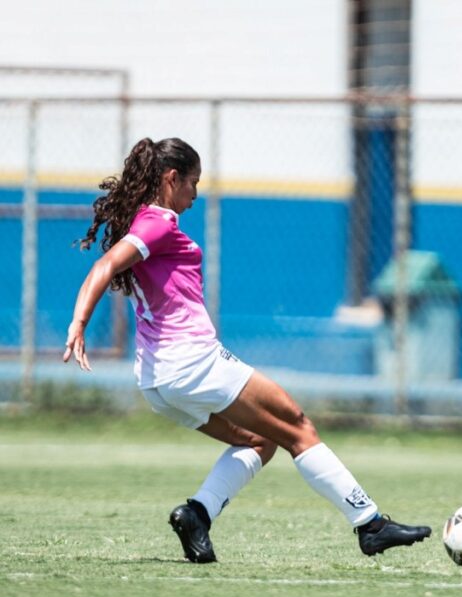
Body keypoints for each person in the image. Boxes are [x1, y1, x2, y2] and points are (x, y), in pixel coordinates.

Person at [64, 137, 431, 564]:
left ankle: (197, 514)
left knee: (261, 440)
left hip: (156, 380)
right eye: (193, 183)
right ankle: (370, 525)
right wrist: (79, 323)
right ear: (171, 178)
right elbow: (105, 266)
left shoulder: (148, 221)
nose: (195, 195)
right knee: (297, 426)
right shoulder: (159, 222)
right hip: (192, 363)